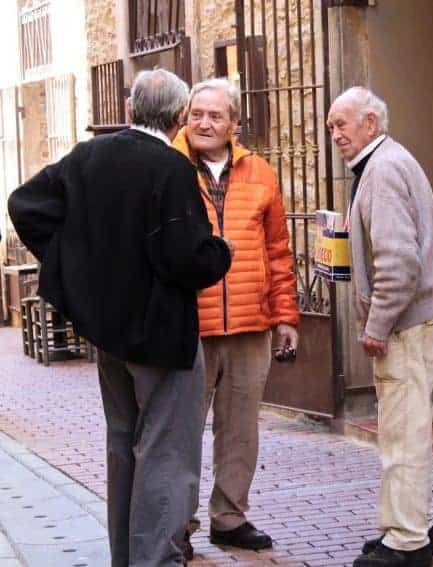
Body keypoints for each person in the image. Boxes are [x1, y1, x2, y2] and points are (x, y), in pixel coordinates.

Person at [8, 69, 232, 567]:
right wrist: (221, 252)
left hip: (108, 330)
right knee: (166, 449)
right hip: (162, 334)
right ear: (178, 118)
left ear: (130, 110)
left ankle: (126, 558)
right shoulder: (172, 169)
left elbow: (26, 205)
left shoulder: (90, 156)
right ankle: (154, 559)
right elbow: (184, 258)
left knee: (122, 444)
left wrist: (77, 266)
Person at [327, 87, 433, 567]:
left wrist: (377, 324)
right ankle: (412, 525)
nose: (336, 134)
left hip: (408, 323)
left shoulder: (381, 169)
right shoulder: (388, 162)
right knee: (409, 429)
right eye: (331, 127)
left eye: (343, 124)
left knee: (402, 433)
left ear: (371, 125)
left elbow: (398, 262)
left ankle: (406, 542)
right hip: (421, 317)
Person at [172, 78, 299, 552]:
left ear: (234, 123)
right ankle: (177, 525)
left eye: (216, 115)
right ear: (185, 116)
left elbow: (279, 251)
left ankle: (229, 517)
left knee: (241, 430)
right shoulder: (168, 167)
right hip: (191, 324)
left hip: (250, 325)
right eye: (197, 113)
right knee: (181, 432)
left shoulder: (260, 173)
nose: (205, 123)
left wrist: (285, 315)